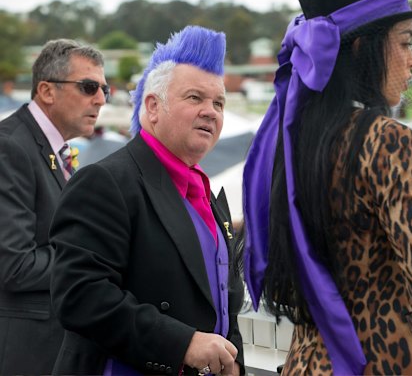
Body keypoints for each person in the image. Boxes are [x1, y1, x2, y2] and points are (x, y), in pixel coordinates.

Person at [242, 0, 412, 375]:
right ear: (363, 48)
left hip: (309, 362)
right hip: (380, 362)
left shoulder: (291, 138)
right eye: (404, 43)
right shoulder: (386, 138)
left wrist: (405, 313)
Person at [49, 26, 245, 375]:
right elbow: (79, 296)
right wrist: (182, 343)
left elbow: (223, 307)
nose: (211, 111)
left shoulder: (206, 193)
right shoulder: (105, 181)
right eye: (195, 98)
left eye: (218, 102)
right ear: (153, 107)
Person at [0, 39, 107, 375]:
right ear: (47, 91)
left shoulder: (48, 146)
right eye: (89, 87)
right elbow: (15, 265)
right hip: (26, 353)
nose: (101, 99)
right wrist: (93, 259)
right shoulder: (10, 148)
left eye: (105, 88)